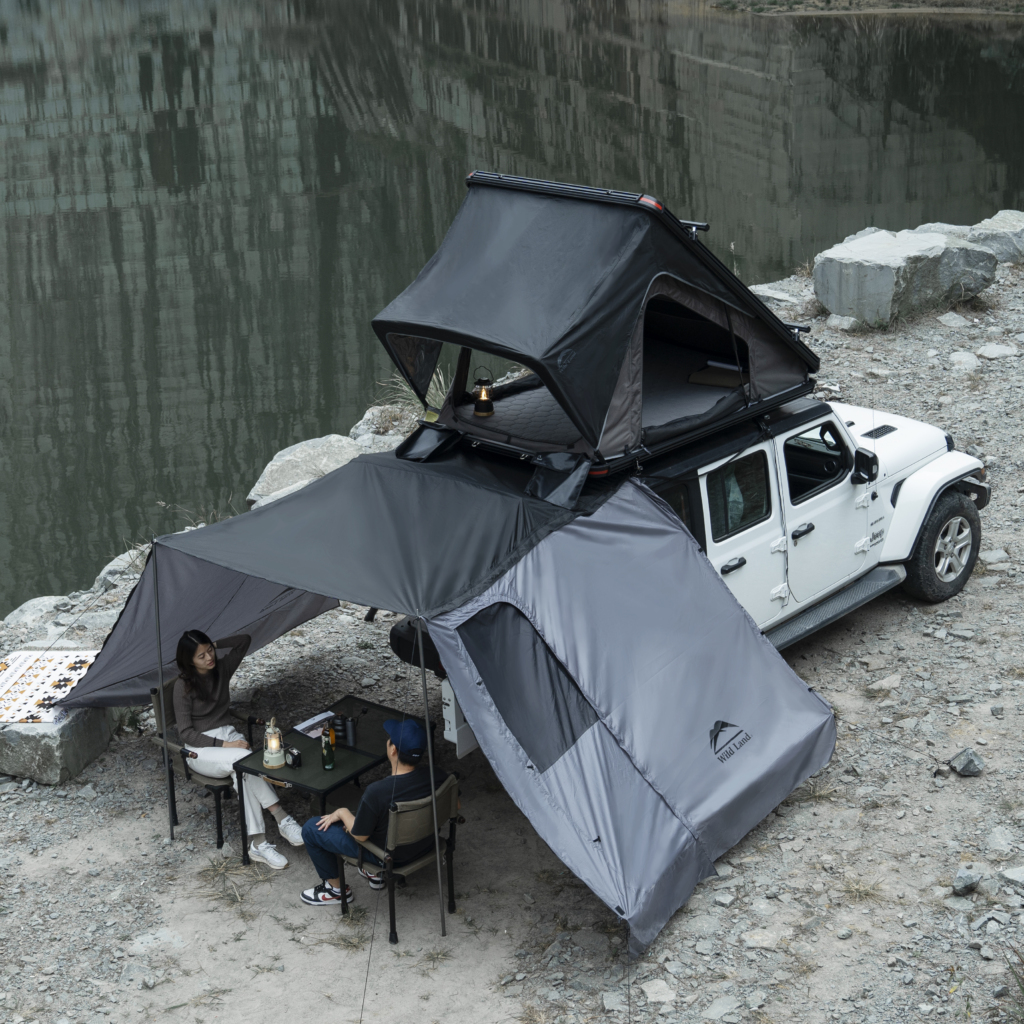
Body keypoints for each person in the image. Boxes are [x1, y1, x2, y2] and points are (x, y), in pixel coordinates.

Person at [172, 630, 304, 869]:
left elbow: (245, 640)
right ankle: (282, 818)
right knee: (245, 761)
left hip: (228, 736)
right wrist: (225, 745)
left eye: (209, 650)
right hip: (199, 749)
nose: (208, 657)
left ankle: (258, 845)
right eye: (200, 656)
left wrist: (216, 642)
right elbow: (185, 733)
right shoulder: (183, 686)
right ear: (189, 660)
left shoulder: (221, 668)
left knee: (242, 773)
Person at [299, 719, 450, 906]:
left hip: (387, 857)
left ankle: (336, 891)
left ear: (393, 750)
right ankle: (374, 876)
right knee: (370, 817)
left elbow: (360, 836)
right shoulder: (439, 775)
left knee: (311, 829)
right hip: (426, 844)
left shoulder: (378, 791)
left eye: (389, 739)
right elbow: (454, 806)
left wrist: (343, 813)